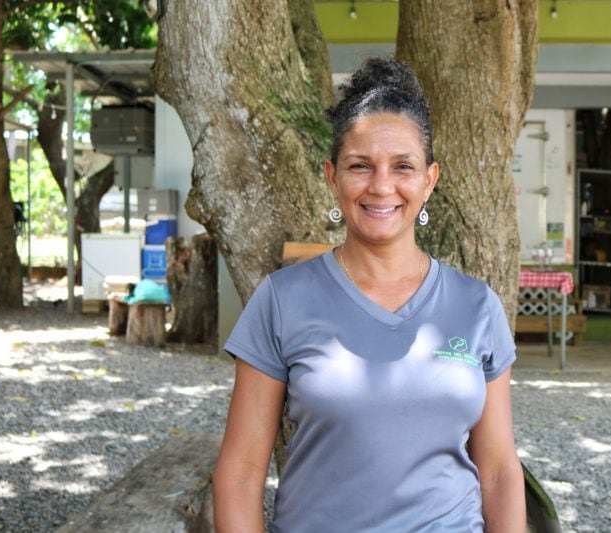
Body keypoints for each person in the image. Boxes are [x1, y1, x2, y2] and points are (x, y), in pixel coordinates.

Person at [212, 57, 526, 532]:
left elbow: (500, 473)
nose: (382, 186)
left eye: (403, 166)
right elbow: (239, 475)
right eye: (361, 166)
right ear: (332, 176)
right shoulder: (282, 300)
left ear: (429, 180)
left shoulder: (476, 306)